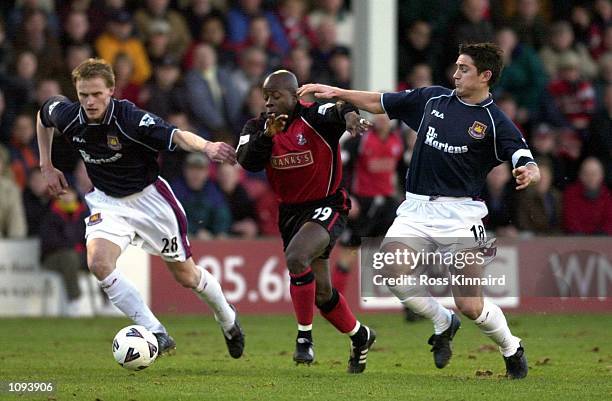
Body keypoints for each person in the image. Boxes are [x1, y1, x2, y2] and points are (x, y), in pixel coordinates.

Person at [298, 42, 540, 379]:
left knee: (470, 305)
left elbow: (522, 155)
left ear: (485, 76)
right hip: (416, 209)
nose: (456, 74)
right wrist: (335, 91)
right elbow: (379, 102)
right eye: (456, 66)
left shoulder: (494, 121)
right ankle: (442, 320)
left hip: (461, 216)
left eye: (464, 69)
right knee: (391, 272)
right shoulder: (432, 100)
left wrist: (530, 170)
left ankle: (511, 346)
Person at [36, 58, 244, 358]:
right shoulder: (68, 115)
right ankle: (156, 332)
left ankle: (228, 318)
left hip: (150, 201)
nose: (89, 102)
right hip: (106, 201)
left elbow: (176, 135)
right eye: (83, 94)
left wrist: (208, 147)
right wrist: (46, 164)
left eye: (96, 94)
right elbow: (44, 114)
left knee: (186, 276)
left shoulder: (131, 119)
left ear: (111, 91)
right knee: (98, 264)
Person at [237, 70, 376, 373]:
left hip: (328, 203)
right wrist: (267, 136)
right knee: (323, 293)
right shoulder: (257, 127)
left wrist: (351, 119)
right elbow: (246, 160)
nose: (270, 102)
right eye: (266, 97)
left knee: (296, 257)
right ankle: (361, 336)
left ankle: (304, 339)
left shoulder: (314, 117)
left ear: (295, 95)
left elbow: (339, 107)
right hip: (290, 212)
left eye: (277, 96)